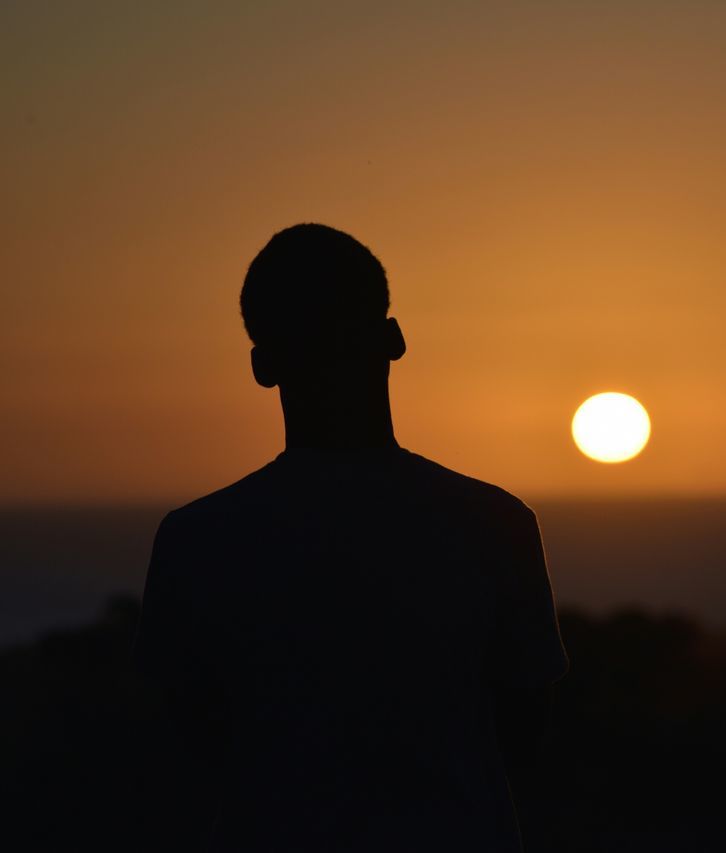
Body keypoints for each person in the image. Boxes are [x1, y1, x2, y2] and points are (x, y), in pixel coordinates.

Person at [135, 224, 568, 851]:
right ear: (393, 339)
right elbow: (525, 742)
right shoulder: (495, 525)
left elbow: (182, 760)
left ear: (262, 365)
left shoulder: (197, 541)